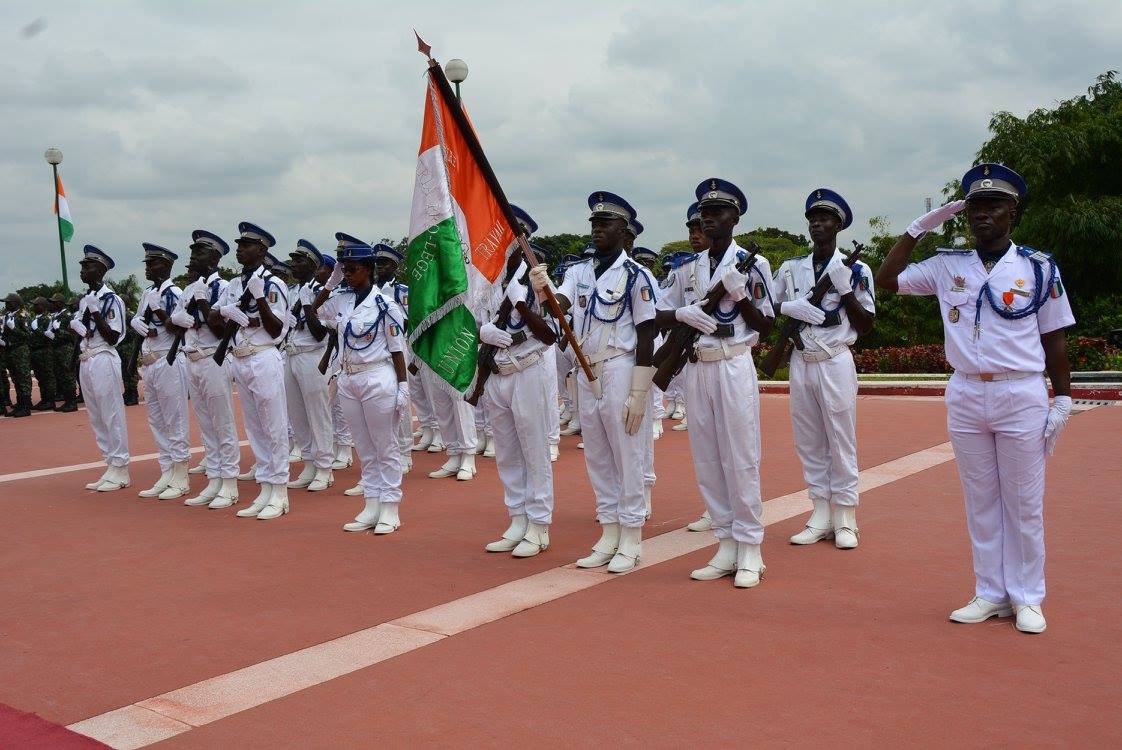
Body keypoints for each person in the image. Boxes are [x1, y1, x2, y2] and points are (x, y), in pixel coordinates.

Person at [875, 163, 1075, 635]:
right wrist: (917, 229)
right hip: (966, 391)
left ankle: (1027, 596)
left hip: (1020, 390)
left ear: (1013, 213)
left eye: (994, 207)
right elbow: (886, 280)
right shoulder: (948, 264)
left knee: (1023, 502)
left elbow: (1055, 339)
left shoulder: (1038, 267)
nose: (983, 216)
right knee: (980, 501)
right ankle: (990, 592)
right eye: (976, 208)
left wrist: (1062, 399)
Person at [529, 191, 658, 573]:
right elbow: (561, 308)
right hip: (587, 370)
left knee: (628, 454)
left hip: (621, 366)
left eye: (606, 224)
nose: (598, 230)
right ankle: (609, 529)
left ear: (625, 230)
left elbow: (648, 333)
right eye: (594, 224)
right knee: (598, 454)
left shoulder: (637, 275)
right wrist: (543, 290)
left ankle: (632, 536)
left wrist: (640, 390)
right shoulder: (578, 272)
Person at [655, 178, 776, 588]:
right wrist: (682, 316)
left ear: (735, 218)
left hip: (733, 363)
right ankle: (725, 541)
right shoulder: (686, 267)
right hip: (696, 366)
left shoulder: (753, 264)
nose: (708, 218)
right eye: (704, 212)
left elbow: (768, 324)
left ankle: (750, 547)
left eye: (718, 211)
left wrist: (740, 298)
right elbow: (656, 314)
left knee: (740, 457)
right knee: (706, 458)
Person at [773, 189, 875, 549]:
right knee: (809, 439)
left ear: (839, 225)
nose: (818, 223)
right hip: (803, 360)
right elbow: (768, 305)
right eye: (813, 218)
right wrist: (790, 308)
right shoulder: (790, 267)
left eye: (825, 218)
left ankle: (845, 514)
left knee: (840, 438)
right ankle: (819, 511)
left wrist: (846, 292)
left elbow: (866, 325)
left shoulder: (856, 269)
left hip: (834, 359)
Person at [311, 234, 409, 534]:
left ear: (369, 269)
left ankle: (390, 507)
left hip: (378, 376)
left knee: (385, 445)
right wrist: (330, 283)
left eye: (353, 269)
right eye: (345, 269)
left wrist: (403, 386)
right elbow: (314, 311)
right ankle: (372, 503)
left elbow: (396, 348)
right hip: (348, 378)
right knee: (364, 447)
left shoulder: (386, 304)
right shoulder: (341, 299)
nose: (348, 274)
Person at [481, 218, 559, 558]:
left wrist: (522, 304)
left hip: (528, 371)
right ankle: (517, 517)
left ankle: (539, 524)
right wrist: (484, 332)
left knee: (534, 450)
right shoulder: (488, 281)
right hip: (498, 374)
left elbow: (550, 334)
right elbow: (475, 321)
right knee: (508, 452)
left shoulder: (537, 281)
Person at [208, 222, 291, 520]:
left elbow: (277, 329)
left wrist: (257, 299)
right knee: (255, 427)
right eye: (239, 245)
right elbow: (215, 323)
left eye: (246, 246)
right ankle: (265, 487)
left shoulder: (272, 285)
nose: (240, 250)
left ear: (262, 250)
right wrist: (224, 312)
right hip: (239, 358)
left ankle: (280, 491)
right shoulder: (232, 285)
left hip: (264, 357)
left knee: (274, 426)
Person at [168, 230, 241, 508]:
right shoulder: (189, 288)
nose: (192, 258)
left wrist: (201, 302)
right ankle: (215, 478)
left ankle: (230, 483)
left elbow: (221, 329)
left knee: (222, 422)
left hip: (214, 358)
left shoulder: (224, 288)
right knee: (206, 424)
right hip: (192, 359)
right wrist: (179, 319)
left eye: (197, 253)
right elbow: (171, 325)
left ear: (213, 257)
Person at [131, 243, 192, 500]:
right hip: (150, 363)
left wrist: (158, 310)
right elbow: (142, 322)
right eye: (146, 263)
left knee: (174, 419)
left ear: (165, 266)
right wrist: (136, 321)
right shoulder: (147, 292)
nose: (147, 267)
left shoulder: (176, 292)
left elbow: (182, 328)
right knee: (157, 420)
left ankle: (181, 475)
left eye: (152, 263)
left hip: (169, 360)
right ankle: (166, 470)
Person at [71, 246, 130, 491]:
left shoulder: (111, 300)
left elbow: (113, 337)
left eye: (88, 266)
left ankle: (121, 467)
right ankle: (110, 464)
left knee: (111, 413)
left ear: (101, 270)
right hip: (87, 359)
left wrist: (95, 314)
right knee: (95, 415)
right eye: (82, 266)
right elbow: (84, 333)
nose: (83, 270)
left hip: (104, 358)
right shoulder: (86, 299)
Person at [284, 239, 335, 492]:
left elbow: (319, 333)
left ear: (314, 266)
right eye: (293, 260)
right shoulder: (292, 291)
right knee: (297, 414)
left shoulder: (323, 293)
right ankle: (309, 462)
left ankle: (325, 467)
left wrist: (307, 306)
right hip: (291, 354)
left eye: (299, 260)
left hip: (312, 356)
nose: (294, 264)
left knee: (317, 413)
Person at [372, 242, 416, 474]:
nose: (380, 268)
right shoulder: (371, 289)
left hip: (397, 347)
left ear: (394, 267)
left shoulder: (401, 291)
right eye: (378, 263)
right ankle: (387, 451)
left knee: (401, 401)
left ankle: (405, 451)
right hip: (376, 350)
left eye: (385, 264)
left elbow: (408, 321)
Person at [2, 294, 33, 417]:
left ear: (16, 303)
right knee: (15, 378)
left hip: (20, 350)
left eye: (9, 302)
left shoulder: (22, 316)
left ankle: (26, 406)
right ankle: (20, 404)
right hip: (10, 350)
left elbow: (28, 335)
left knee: (23, 378)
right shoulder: (9, 316)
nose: (6, 304)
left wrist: (14, 329)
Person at [48, 293, 78, 412]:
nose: (52, 304)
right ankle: (67, 400)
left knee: (68, 376)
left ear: (60, 303)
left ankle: (72, 402)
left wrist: (58, 330)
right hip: (57, 349)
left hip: (66, 349)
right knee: (61, 376)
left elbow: (72, 335)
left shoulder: (67, 316)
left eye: (54, 302)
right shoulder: (57, 316)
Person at [28, 296, 58, 410]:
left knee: (47, 377)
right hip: (35, 351)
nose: (34, 307)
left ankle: (50, 400)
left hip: (44, 350)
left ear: (43, 306)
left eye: (36, 305)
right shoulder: (34, 319)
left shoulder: (47, 319)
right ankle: (44, 399)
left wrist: (37, 330)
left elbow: (48, 337)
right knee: (40, 377)